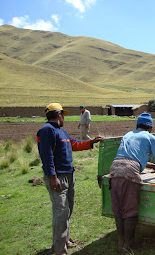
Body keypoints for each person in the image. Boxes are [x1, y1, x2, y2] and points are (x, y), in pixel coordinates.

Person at [37, 103, 104, 255]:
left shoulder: (61, 132)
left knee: (67, 210)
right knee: (60, 212)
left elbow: (74, 144)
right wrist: (52, 177)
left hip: (69, 174)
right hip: (58, 177)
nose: (64, 118)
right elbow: (46, 156)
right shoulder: (46, 131)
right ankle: (59, 250)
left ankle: (65, 239)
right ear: (59, 115)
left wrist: (91, 142)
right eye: (63, 115)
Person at [109, 113, 155, 252]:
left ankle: (121, 241)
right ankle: (128, 244)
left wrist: (151, 166)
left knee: (118, 208)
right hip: (129, 172)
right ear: (150, 127)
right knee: (130, 209)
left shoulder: (128, 135)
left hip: (115, 169)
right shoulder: (150, 137)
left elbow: (130, 155)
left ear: (137, 125)